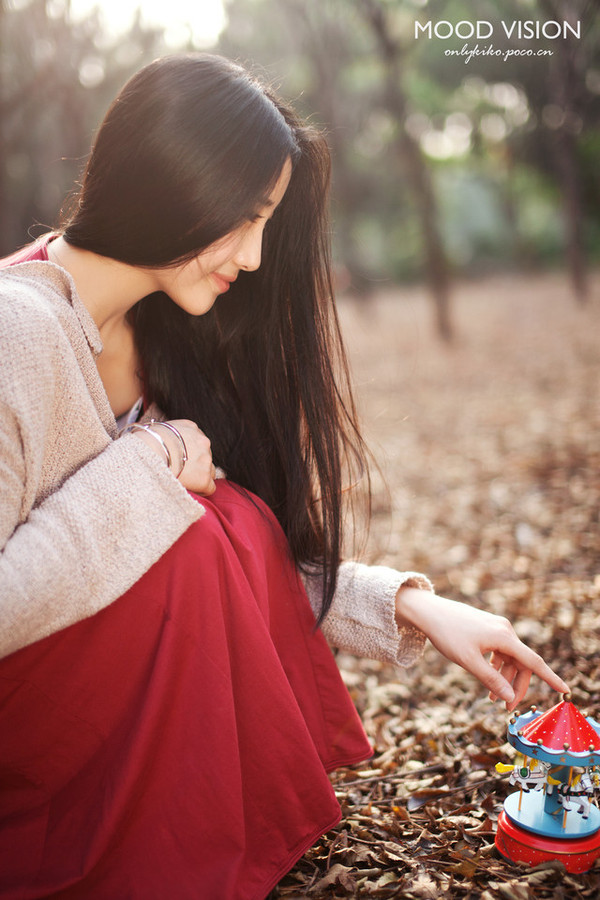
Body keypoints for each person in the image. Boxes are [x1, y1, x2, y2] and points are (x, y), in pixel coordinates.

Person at [0, 53, 567, 899]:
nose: (258, 256)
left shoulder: (161, 329)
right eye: (248, 216)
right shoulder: (18, 330)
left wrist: (409, 605)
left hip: (99, 738)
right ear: (174, 181)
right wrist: (149, 466)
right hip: (32, 769)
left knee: (210, 515)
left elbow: (234, 547)